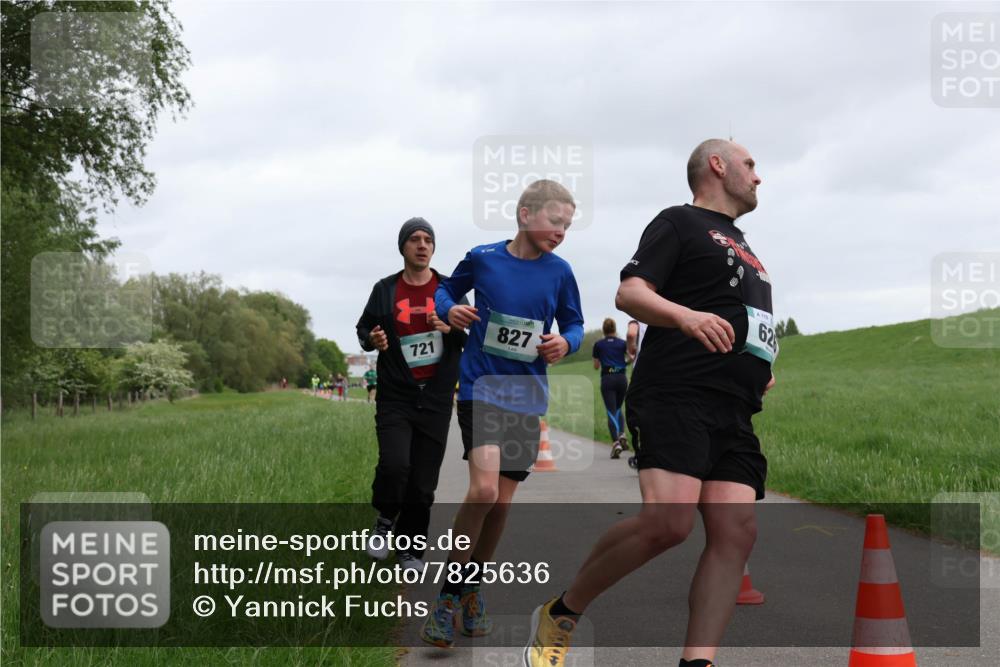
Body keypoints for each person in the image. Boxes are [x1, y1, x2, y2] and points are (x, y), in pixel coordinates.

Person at [525, 139, 777, 667]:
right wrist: (685, 317)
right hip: (676, 392)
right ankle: (563, 612)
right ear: (717, 165)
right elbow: (631, 293)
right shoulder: (679, 222)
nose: (758, 177)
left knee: (737, 531)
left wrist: (760, 364)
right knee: (669, 522)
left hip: (734, 406)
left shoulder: (748, 248)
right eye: (750, 165)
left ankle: (697, 662)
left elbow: (750, 325)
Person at [419, 179, 584, 648]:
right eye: (556, 221)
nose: (562, 231)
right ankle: (447, 597)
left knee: (502, 503)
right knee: (484, 490)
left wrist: (565, 342)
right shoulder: (484, 257)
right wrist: (450, 311)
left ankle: (470, 590)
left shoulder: (560, 271)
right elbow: (445, 291)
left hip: (527, 396)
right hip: (481, 388)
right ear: (525, 214)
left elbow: (573, 322)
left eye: (568, 225)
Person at [356, 218, 467, 572]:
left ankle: (410, 549)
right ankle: (385, 521)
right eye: (415, 239)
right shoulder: (385, 289)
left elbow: (469, 336)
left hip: (435, 398)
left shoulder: (450, 288)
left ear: (433, 248)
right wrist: (372, 340)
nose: (422, 245)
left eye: (428, 239)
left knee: (422, 483)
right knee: (395, 464)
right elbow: (364, 328)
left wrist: (449, 328)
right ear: (403, 247)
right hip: (396, 396)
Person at [592, 317, 630, 459]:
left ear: (604, 329)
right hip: (621, 379)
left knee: (611, 411)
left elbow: (596, 366)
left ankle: (616, 443)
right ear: (614, 328)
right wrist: (624, 364)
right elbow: (631, 357)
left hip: (607, 379)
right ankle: (622, 433)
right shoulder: (622, 343)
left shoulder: (598, 345)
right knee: (619, 408)